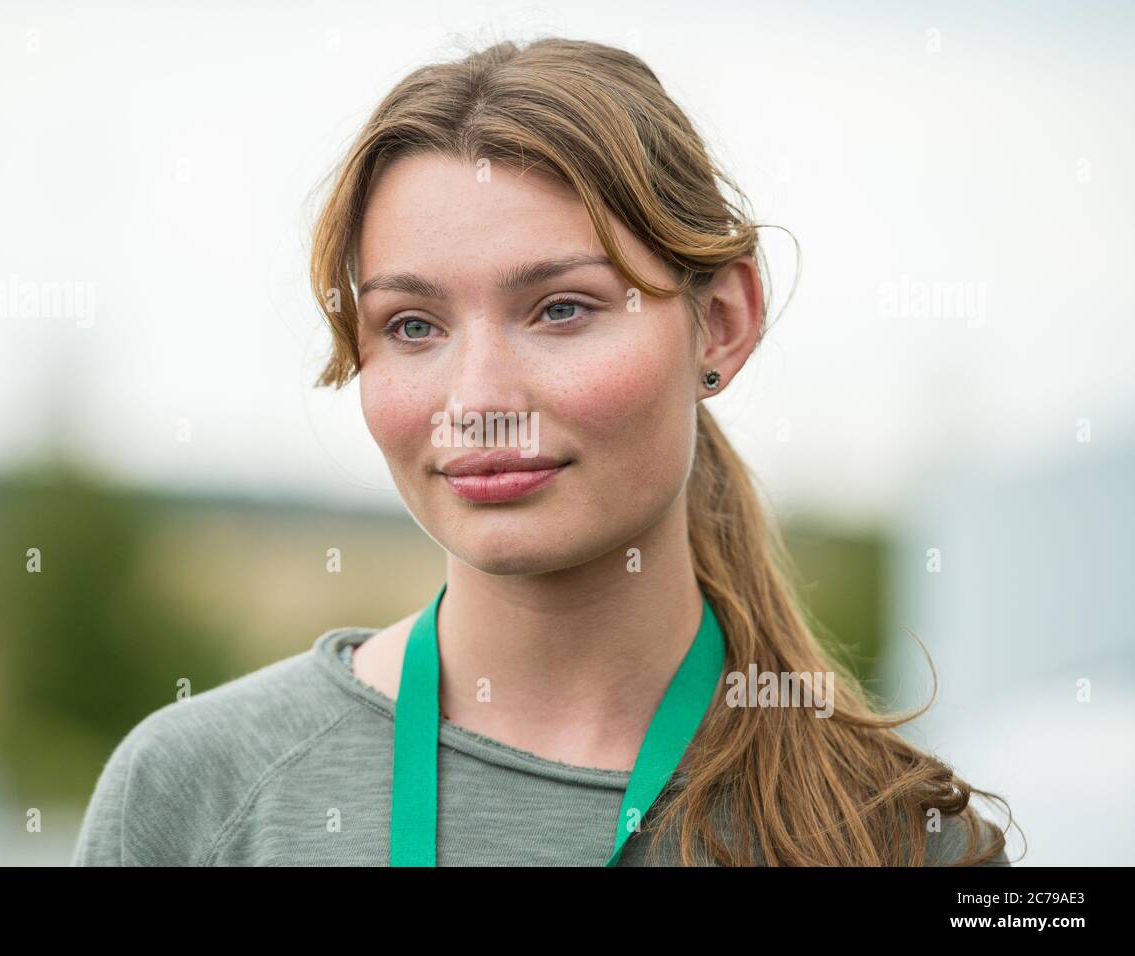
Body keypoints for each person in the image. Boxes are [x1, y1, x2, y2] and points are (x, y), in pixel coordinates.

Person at [72, 36, 1015, 866]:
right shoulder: (194, 796)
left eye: (562, 308)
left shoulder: (896, 840)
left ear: (721, 325)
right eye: (411, 325)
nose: (478, 402)